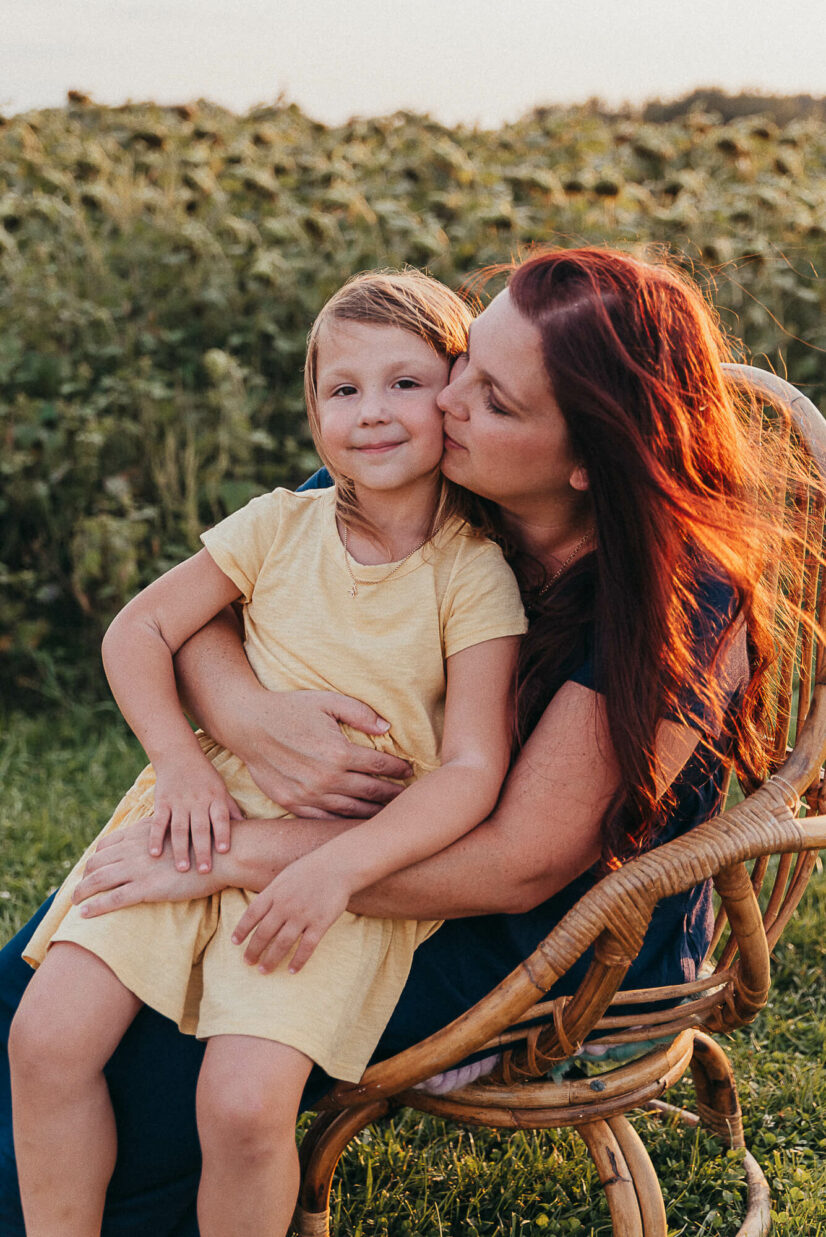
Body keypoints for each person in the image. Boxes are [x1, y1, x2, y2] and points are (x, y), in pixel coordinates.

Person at [0, 247, 797, 1237]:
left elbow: (518, 863)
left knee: (168, 1075)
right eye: (465, 357)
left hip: (540, 918)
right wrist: (248, 714)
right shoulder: (414, 463)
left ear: (586, 457)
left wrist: (225, 857)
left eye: (493, 398)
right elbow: (211, 603)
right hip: (320, 821)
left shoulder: (679, 601)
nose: (446, 401)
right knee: (30, 999)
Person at [7, 271, 527, 1237]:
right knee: (43, 1035)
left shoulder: (471, 572)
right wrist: (181, 761)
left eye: (405, 384)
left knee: (242, 1105)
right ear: (312, 409)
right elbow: (137, 631)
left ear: (453, 396)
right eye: (343, 389)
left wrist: (339, 868)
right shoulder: (279, 523)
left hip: (331, 862)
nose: (371, 412)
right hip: (195, 816)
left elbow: (470, 769)